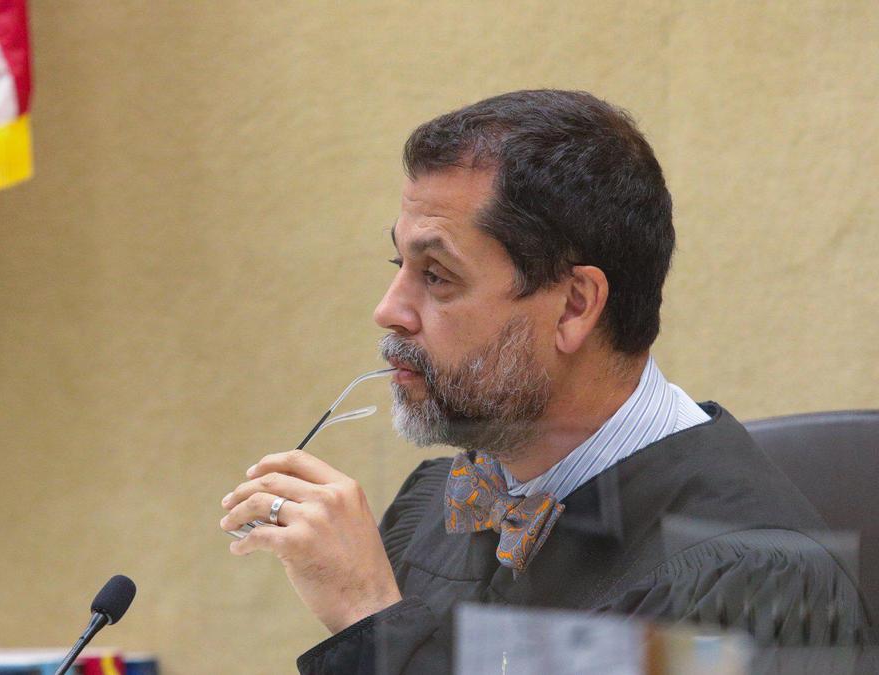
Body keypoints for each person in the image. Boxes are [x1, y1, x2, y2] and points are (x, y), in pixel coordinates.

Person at [219, 90, 875, 673]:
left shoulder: (757, 585)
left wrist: (370, 621)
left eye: (437, 276)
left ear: (573, 306)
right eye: (399, 263)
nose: (389, 309)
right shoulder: (438, 502)